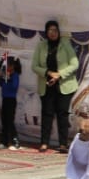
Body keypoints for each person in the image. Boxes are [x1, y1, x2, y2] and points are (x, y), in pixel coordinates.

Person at [32, 20, 77, 151]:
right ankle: (44, 143)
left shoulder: (65, 44)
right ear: (46, 32)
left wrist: (59, 74)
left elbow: (75, 64)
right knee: (47, 113)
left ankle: (63, 144)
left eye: (55, 30)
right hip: (47, 84)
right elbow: (34, 66)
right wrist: (48, 73)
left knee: (62, 114)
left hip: (64, 84)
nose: (53, 33)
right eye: (50, 30)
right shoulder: (41, 46)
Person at [0, 51, 22, 150]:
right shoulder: (6, 75)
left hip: (11, 100)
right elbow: (2, 85)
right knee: (4, 121)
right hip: (5, 99)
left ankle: (16, 142)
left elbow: (14, 86)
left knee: (10, 121)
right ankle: (4, 141)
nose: (6, 67)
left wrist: (8, 77)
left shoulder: (15, 75)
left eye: (7, 66)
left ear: (12, 66)